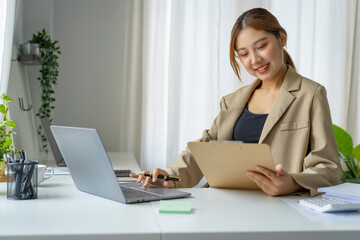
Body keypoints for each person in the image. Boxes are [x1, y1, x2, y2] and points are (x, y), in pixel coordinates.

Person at [131, 8, 342, 196]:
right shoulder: (231, 102)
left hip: (280, 210)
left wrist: (294, 182)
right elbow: (205, 148)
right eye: (244, 54)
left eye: (261, 46)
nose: (254, 60)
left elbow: (329, 166)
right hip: (225, 205)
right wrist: (169, 176)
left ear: (282, 38)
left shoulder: (311, 94)